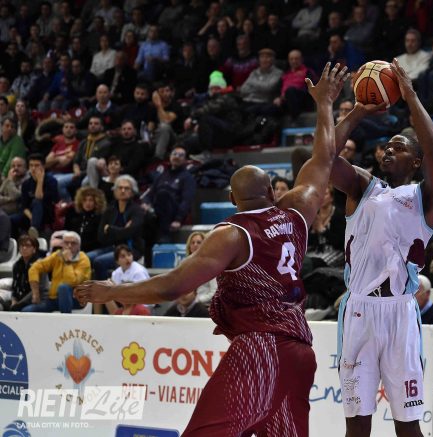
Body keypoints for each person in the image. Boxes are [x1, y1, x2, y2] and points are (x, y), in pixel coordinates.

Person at [75, 63, 349, 437]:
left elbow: (172, 286)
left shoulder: (233, 234)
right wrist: (326, 105)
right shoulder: (297, 211)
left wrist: (113, 292)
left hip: (261, 348)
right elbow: (323, 159)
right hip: (300, 351)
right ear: (272, 191)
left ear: (232, 198)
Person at [328, 58, 433, 436]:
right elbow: (324, 157)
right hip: (359, 310)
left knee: (408, 427)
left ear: (415, 161)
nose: (388, 151)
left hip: (400, 314)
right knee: (357, 427)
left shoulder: (425, 198)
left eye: (399, 147)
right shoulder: (363, 187)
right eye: (385, 147)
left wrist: (409, 96)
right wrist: (357, 112)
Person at [23, 231, 90, 313]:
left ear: (78, 246)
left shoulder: (84, 259)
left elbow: (71, 282)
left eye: (73, 243)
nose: (69, 246)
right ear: (62, 244)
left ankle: (65, 319)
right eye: (66, 243)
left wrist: (67, 262)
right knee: (27, 310)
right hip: (54, 299)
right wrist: (35, 293)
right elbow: (35, 268)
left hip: (76, 299)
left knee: (63, 288)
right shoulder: (57, 255)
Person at [141, 146, 196, 240]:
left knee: (163, 194)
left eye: (181, 155)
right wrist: (146, 204)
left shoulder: (187, 178)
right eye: (174, 154)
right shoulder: (162, 175)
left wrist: (178, 219)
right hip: (156, 211)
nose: (177, 157)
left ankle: (164, 236)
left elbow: (186, 201)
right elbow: (149, 194)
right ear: (170, 156)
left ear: (185, 160)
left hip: (173, 212)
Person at [10, 153, 59, 237]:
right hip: (31, 215)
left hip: (46, 214)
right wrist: (32, 218)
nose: (33, 168)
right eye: (31, 165)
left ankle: (34, 228)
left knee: (36, 202)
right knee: (12, 219)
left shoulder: (51, 181)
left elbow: (39, 197)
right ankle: (15, 240)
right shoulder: (26, 183)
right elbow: (24, 207)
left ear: (43, 167)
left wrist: (40, 181)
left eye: (36, 165)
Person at [97, 244, 151, 315]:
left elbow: (140, 295)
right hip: (124, 302)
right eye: (123, 256)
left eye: (129, 255)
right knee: (100, 293)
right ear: (117, 261)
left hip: (141, 304)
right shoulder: (116, 273)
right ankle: (96, 317)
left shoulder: (139, 271)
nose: (127, 258)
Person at [7, 235, 47, 311]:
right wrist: (14, 300)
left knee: (25, 310)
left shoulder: (40, 264)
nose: (24, 248)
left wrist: (19, 304)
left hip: (38, 299)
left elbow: (39, 289)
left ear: (34, 249)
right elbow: (14, 287)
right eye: (22, 246)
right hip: (21, 299)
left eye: (28, 246)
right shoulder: (17, 265)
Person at [64, 187, 106, 253]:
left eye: (91, 200)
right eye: (84, 200)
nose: (87, 203)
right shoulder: (75, 216)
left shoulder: (100, 218)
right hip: (73, 249)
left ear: (96, 202)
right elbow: (67, 232)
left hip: (92, 250)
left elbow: (98, 241)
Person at [184, 231, 217, 306]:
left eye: (199, 242)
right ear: (189, 247)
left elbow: (214, 292)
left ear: (205, 245)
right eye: (192, 243)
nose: (195, 245)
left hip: (204, 305)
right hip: (188, 305)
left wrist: (196, 301)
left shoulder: (211, 266)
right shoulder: (184, 266)